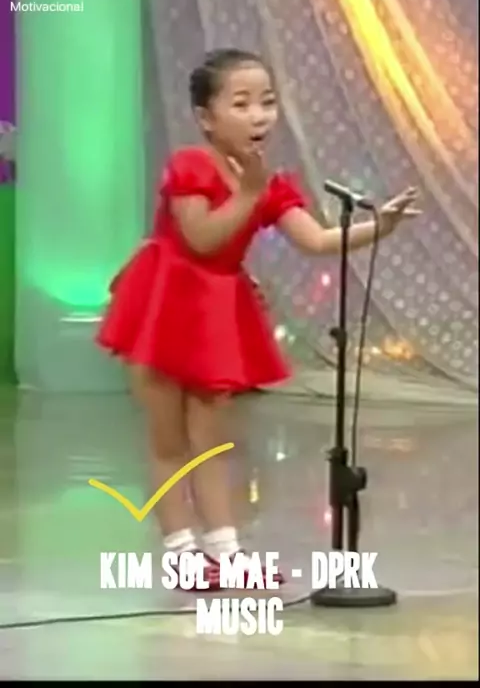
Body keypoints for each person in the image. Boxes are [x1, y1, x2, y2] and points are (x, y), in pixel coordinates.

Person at [96, 48, 420, 591]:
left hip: (215, 314)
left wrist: (379, 228)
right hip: (161, 304)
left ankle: (226, 551)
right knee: (168, 440)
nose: (259, 115)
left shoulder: (271, 183)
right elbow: (201, 238)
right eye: (241, 103)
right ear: (206, 117)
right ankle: (181, 555)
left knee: (213, 442)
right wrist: (248, 193)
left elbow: (317, 241)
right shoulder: (191, 165)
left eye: (267, 102)